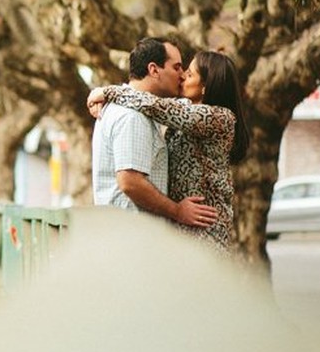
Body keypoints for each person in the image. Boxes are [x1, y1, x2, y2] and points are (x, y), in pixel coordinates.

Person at [88, 49, 250, 252]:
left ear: (205, 87)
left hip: (204, 229)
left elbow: (157, 106)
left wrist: (107, 93)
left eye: (189, 74)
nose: (182, 77)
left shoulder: (220, 118)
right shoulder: (183, 112)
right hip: (180, 227)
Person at [89, 37, 218, 231]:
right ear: (154, 70)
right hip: (132, 234)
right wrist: (177, 211)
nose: (182, 75)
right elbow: (130, 182)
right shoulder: (133, 116)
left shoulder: (145, 110)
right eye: (177, 67)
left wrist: (105, 92)